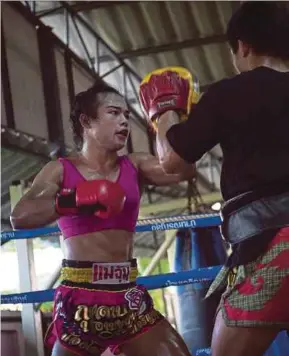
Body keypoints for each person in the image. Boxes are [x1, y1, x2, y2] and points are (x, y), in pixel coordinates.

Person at [139, 2, 289, 356]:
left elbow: (174, 162)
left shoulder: (231, 93)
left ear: (243, 46)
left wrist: (163, 113)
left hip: (267, 248)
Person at [10, 82, 196, 356]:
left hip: (128, 296)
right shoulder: (60, 170)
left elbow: (183, 170)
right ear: (87, 121)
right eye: (113, 113)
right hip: (79, 297)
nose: (124, 121)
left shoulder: (135, 165)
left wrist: (165, 115)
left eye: (126, 115)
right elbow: (20, 216)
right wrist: (74, 200)